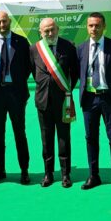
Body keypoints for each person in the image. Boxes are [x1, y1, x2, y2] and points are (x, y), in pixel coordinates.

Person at [77, 12, 111, 193]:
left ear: (104, 27)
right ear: (87, 27)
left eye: (97, 25)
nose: (94, 29)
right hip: (89, 99)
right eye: (91, 25)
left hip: (109, 99)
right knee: (91, 138)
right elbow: (80, 74)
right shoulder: (81, 48)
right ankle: (94, 175)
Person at [29, 18, 79, 188]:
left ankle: (66, 174)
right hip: (43, 102)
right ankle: (48, 174)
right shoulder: (34, 49)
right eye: (46, 31)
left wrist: (66, 89)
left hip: (63, 101)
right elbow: (35, 73)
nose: (50, 34)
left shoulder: (68, 46)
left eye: (52, 30)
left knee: (64, 138)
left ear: (58, 29)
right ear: (40, 32)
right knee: (46, 139)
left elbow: (76, 72)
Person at [0, 11, 32, 185]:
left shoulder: (21, 42)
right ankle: (0, 171)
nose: (2, 25)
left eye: (4, 21)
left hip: (16, 94)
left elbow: (27, 67)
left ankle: (24, 171)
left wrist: (17, 83)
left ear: (9, 21)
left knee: (20, 133)